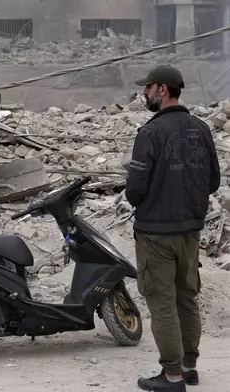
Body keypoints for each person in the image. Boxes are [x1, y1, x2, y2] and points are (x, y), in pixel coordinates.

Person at [125, 65, 220, 391]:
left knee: (162, 301)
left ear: (163, 89)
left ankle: (172, 376)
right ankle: (189, 368)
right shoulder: (201, 129)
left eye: (148, 88)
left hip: (155, 233)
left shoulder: (149, 134)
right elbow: (213, 182)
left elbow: (135, 189)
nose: (145, 93)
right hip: (190, 231)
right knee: (187, 298)